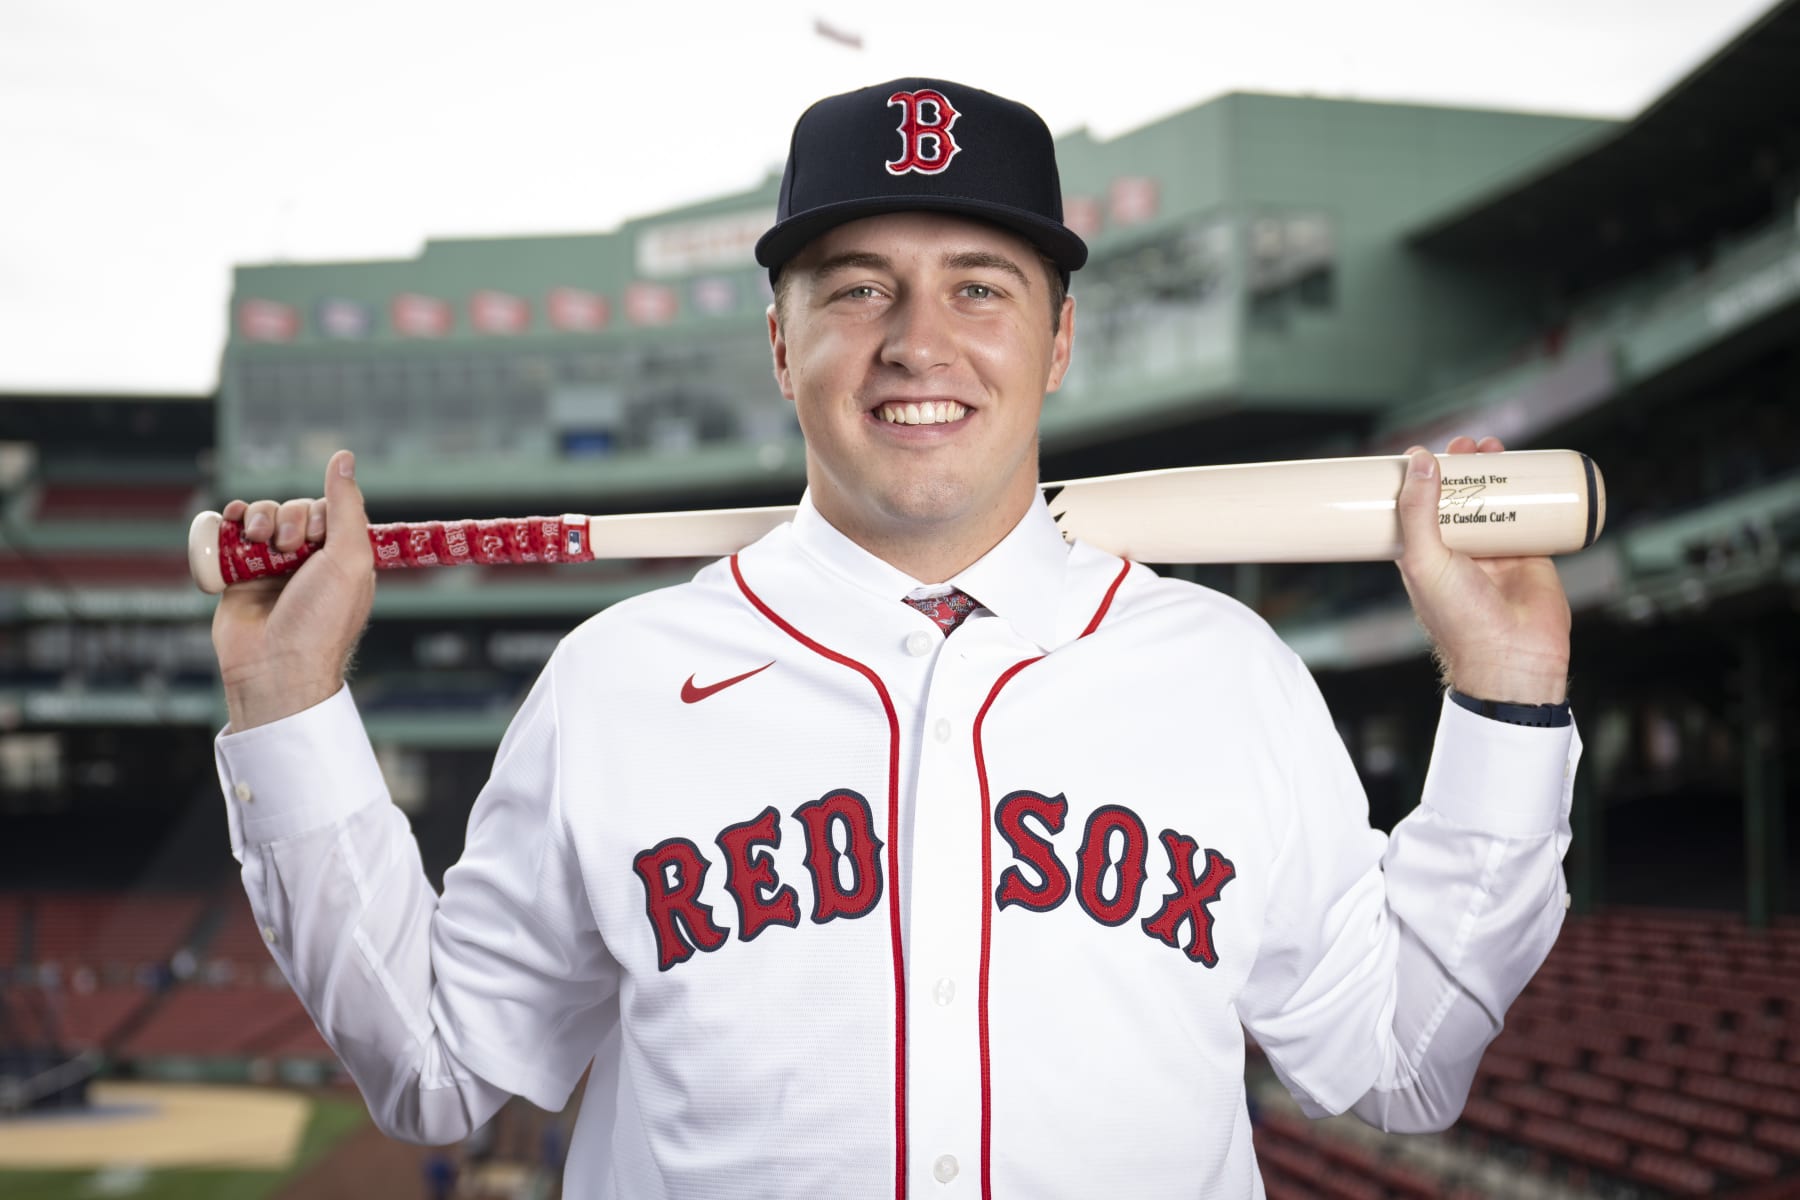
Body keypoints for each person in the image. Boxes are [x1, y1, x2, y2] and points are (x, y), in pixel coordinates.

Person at [210, 78, 1579, 1198]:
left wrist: (1510, 699)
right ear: (778, 341)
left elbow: (1397, 1064)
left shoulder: (1227, 672)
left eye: (981, 287)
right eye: (856, 288)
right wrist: (289, 708)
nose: (920, 342)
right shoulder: (615, 683)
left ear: (1055, 344)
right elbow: (442, 1073)